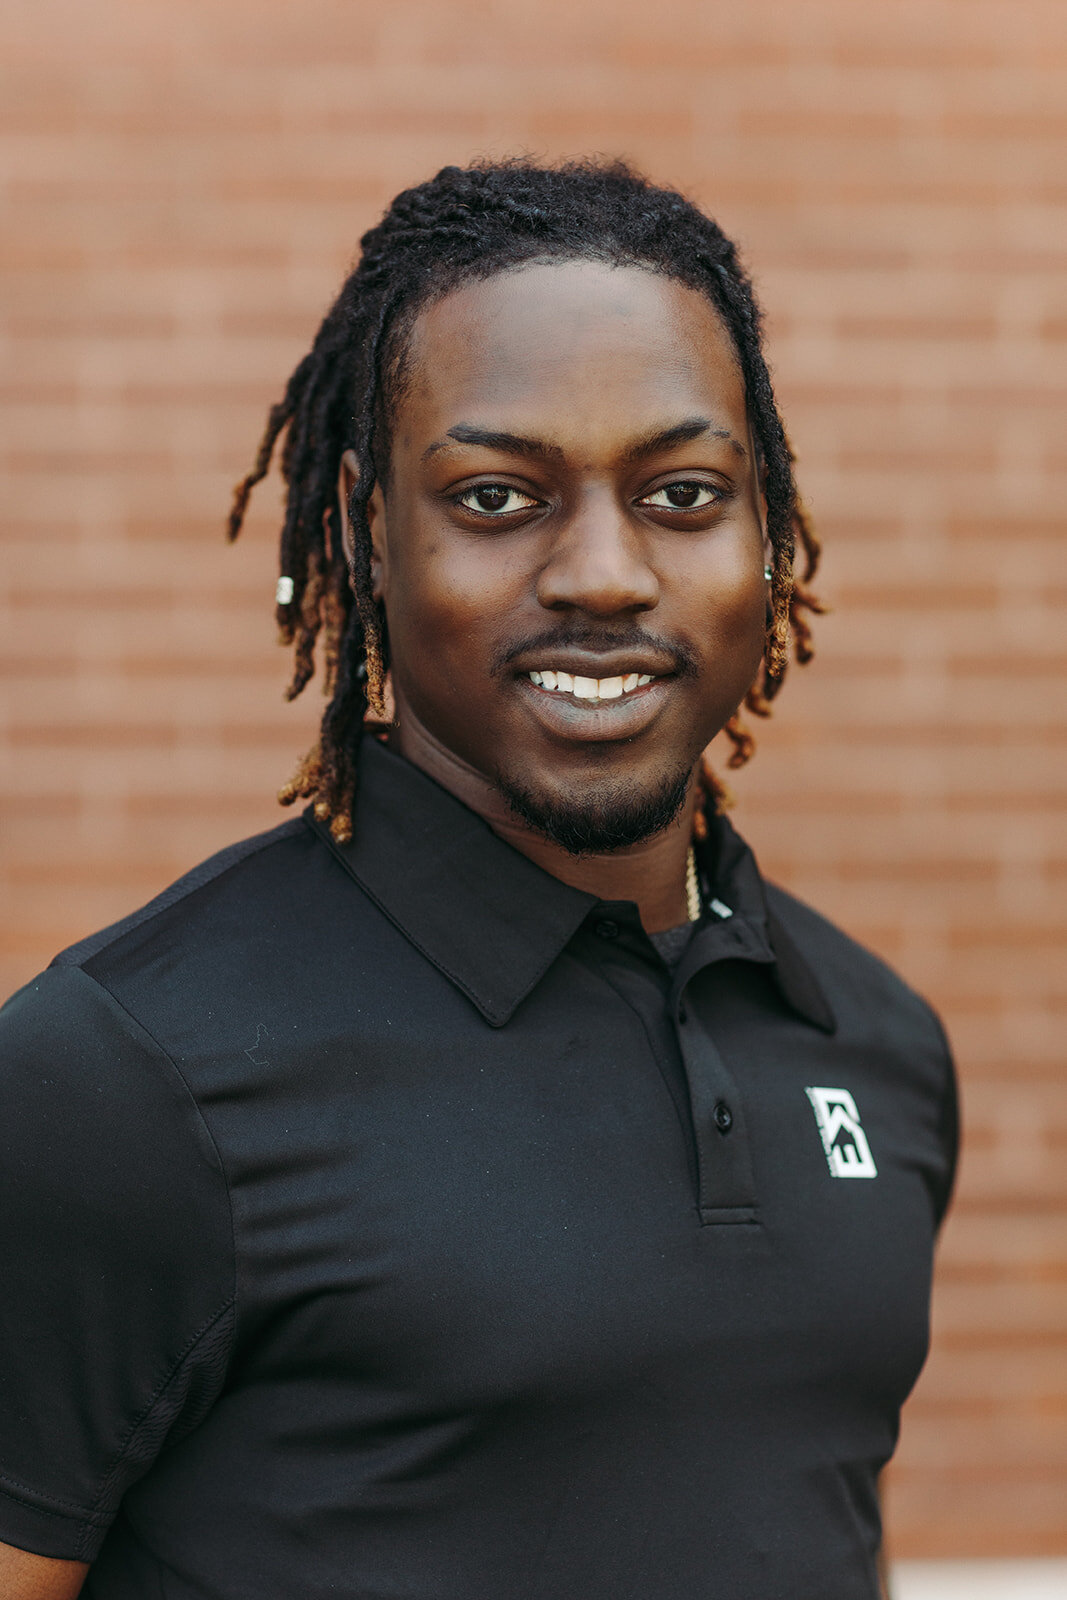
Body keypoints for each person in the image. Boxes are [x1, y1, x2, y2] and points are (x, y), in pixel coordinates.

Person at [0, 159, 957, 1600]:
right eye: (499, 496)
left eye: (683, 492)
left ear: (769, 533)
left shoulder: (873, 1043)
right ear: (370, 528)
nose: (603, 573)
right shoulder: (121, 1081)